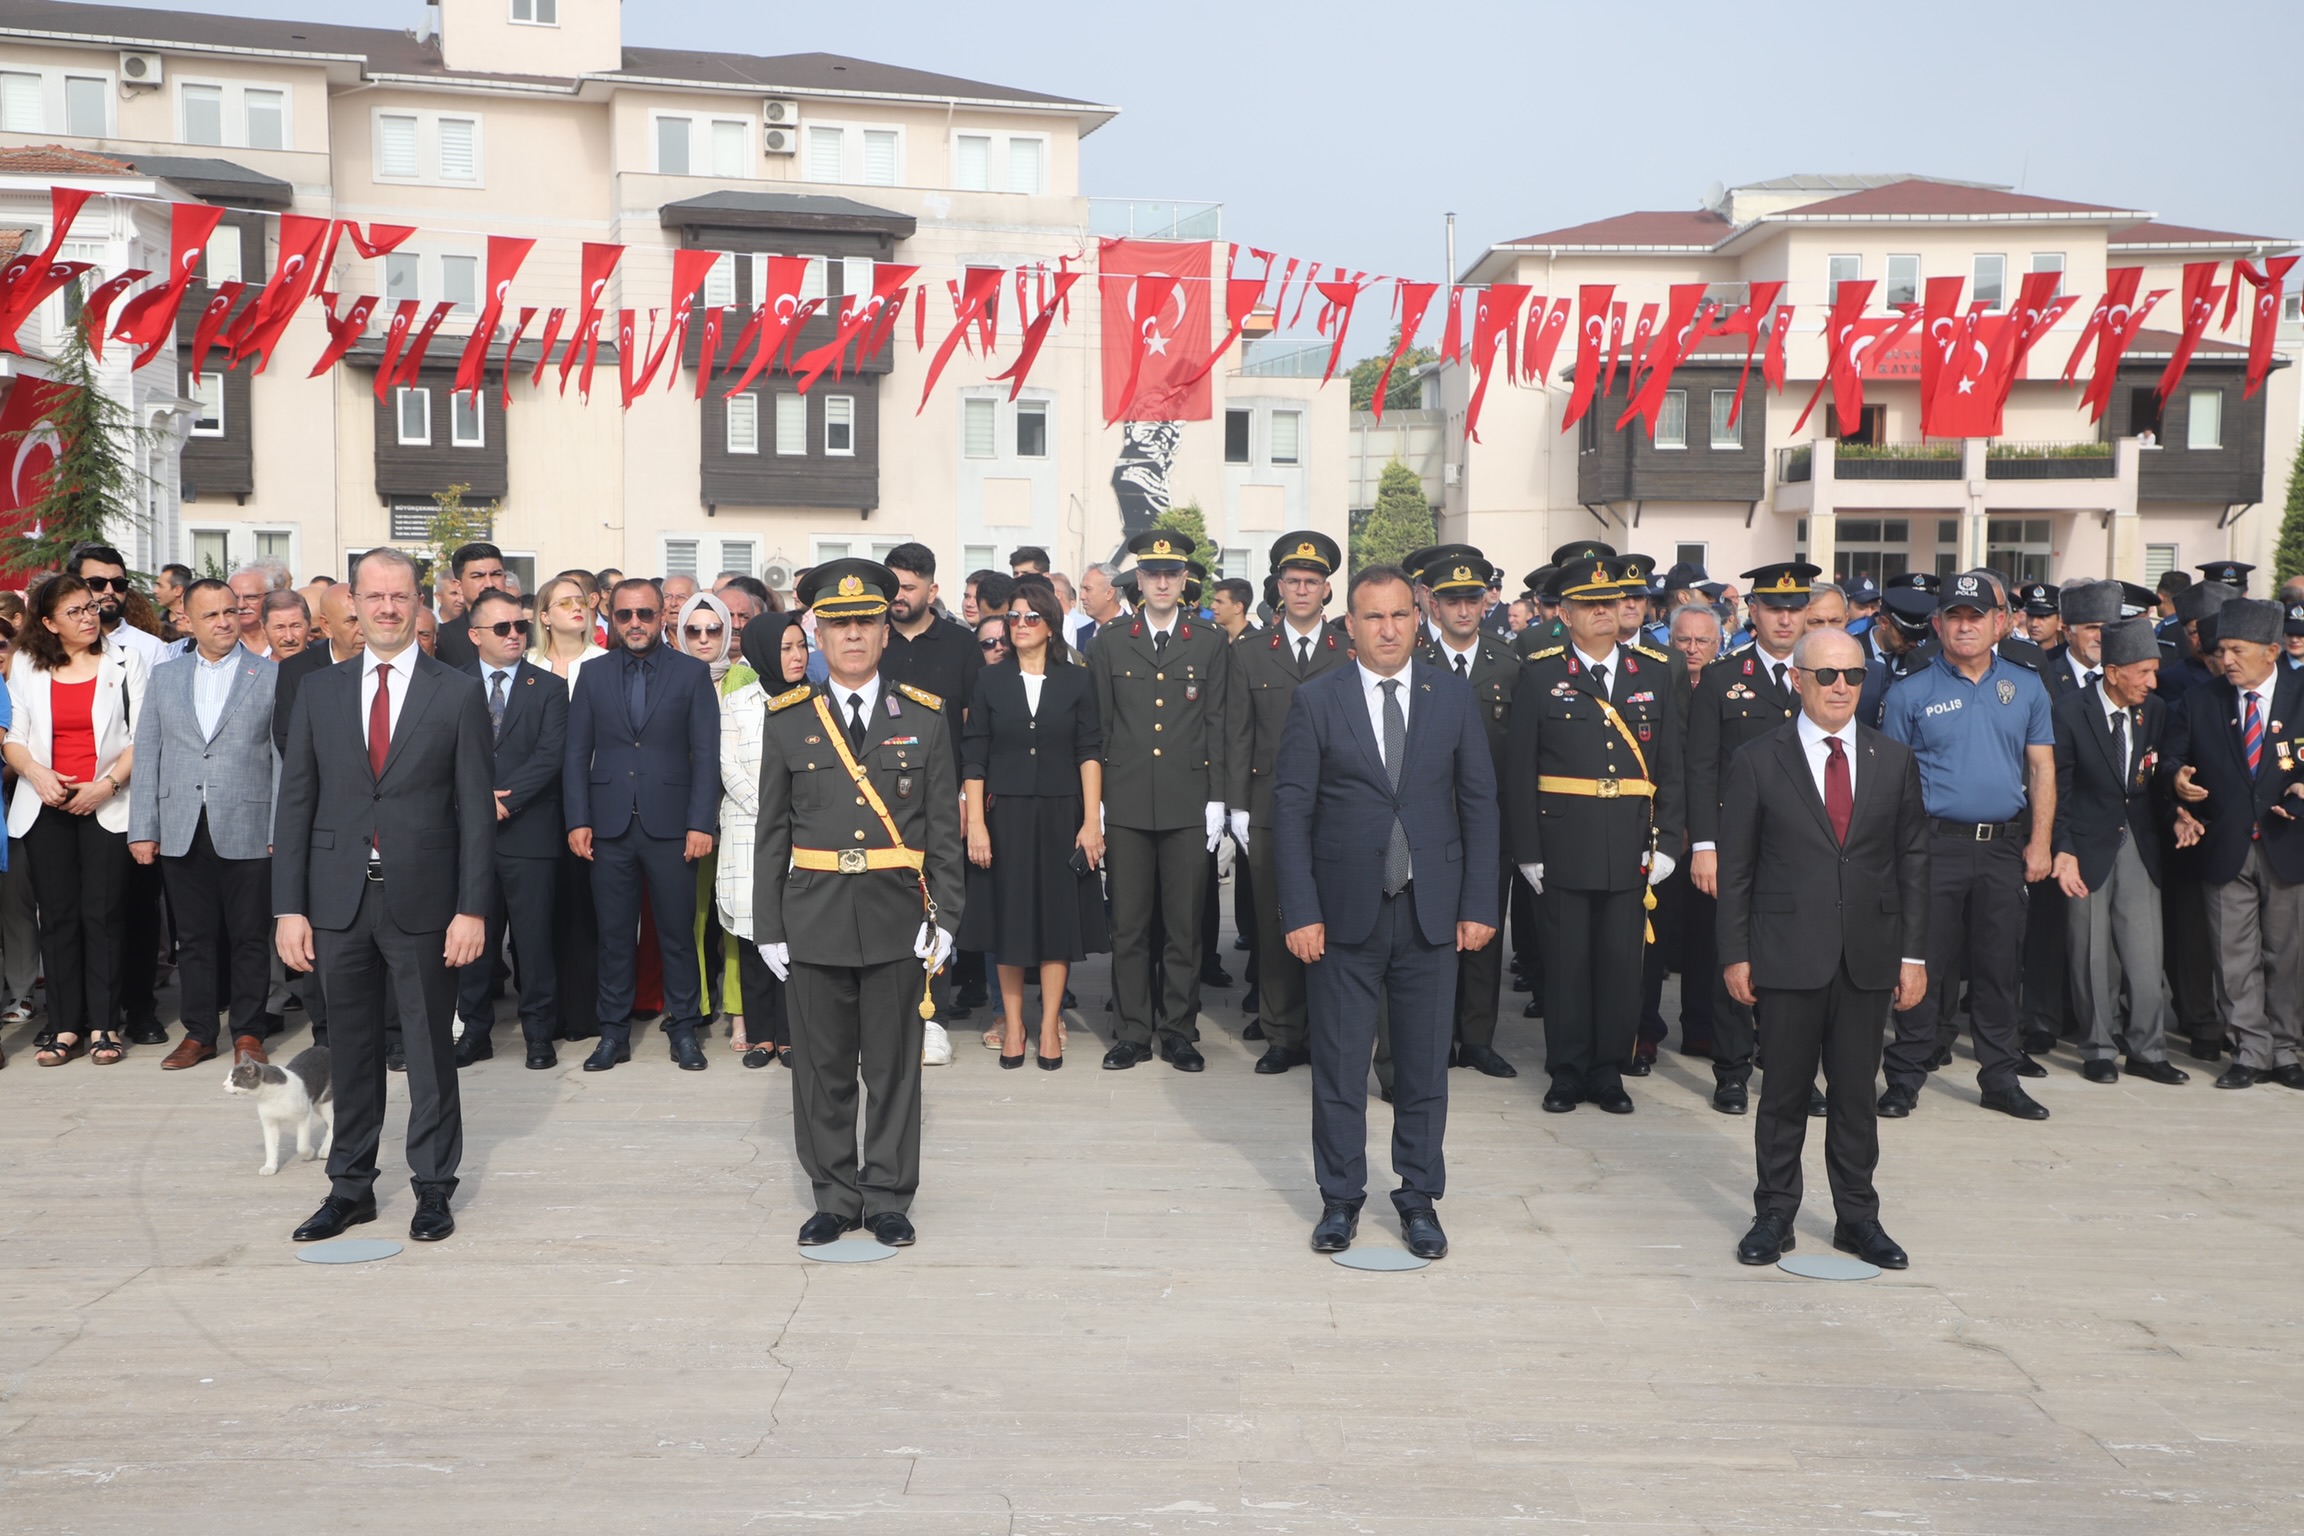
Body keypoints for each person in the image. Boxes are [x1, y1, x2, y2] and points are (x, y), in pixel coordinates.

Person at [1272, 563, 1499, 1260]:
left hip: (1431, 912)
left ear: (1419, 618)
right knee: (1340, 1067)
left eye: (1401, 614)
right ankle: (1340, 1200)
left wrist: (1479, 903)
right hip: (1343, 915)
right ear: (1351, 626)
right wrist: (1300, 911)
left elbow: (1479, 804)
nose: (1390, 629)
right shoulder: (1317, 701)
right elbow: (1291, 813)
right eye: (1374, 617)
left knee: (1425, 1068)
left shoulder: (1451, 697)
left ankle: (1418, 1199)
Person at [273, 547, 495, 1244]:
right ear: (353, 606)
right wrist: (289, 907)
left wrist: (472, 908)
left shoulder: (455, 691)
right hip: (337, 903)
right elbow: (297, 805)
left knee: (430, 1050)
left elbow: (474, 813)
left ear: (418, 602)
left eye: (401, 597)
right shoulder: (320, 691)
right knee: (353, 1049)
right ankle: (350, 1188)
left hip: (426, 906)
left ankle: (433, 1187)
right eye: (375, 597)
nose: (389, 608)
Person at [753, 559, 964, 1248]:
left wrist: (947, 918)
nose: (851, 636)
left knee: (895, 1066)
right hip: (812, 915)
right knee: (821, 1071)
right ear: (817, 632)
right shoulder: (787, 719)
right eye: (837, 624)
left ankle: (889, 1196)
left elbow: (941, 831)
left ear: (884, 630)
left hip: (896, 914)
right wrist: (768, 925)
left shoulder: (924, 719)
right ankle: (835, 1196)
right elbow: (772, 830)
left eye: (864, 623)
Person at [1715, 627, 1929, 1271]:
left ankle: (1857, 1217)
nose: (1841, 687)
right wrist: (1736, 953)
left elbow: (1912, 862)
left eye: (1854, 676)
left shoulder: (1892, 759)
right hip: (1786, 953)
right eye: (1828, 676)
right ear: (1798, 680)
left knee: (1857, 1096)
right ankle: (1774, 1213)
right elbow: (1738, 869)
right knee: (1782, 1093)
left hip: (1868, 955)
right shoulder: (1758, 759)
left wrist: (1913, 956)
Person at [1504, 555, 1684, 1114]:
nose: (1605, 612)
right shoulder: (1539, 673)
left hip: (1631, 842)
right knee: (1565, 965)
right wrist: (1527, 851)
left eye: (1611, 603)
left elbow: (1672, 766)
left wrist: (1671, 842)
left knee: (1619, 965)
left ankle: (1609, 1071)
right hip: (1563, 844)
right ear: (1565, 613)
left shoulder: (1654, 672)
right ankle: (1567, 1070)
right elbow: (1519, 771)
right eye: (1590, 605)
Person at [1878, 570, 2058, 1122]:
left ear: (2000, 624)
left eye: (1976, 617)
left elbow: (2042, 768)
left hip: (2003, 846)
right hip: (1934, 847)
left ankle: (2000, 1077)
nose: (1964, 626)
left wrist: (2040, 843)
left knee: (1999, 968)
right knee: (1921, 966)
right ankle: (1905, 1076)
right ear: (1937, 623)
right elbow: (1891, 783)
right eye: (1953, 616)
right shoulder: (1910, 691)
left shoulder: (2026, 685)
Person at [564, 578, 722, 1073]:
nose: (635, 623)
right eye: (626, 615)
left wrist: (701, 822)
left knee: (677, 933)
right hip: (608, 826)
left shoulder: (691, 674)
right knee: (614, 935)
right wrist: (578, 819)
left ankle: (684, 1029)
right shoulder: (592, 674)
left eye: (646, 615)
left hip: (673, 825)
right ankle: (612, 1033)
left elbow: (706, 754)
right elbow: (574, 755)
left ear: (663, 618)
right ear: (610, 618)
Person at [1090, 529, 1232, 1072]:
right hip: (1125, 802)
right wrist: (1097, 801)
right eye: (1153, 574)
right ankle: (1131, 1030)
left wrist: (1218, 800)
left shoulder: (1209, 640)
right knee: (1128, 925)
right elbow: (1100, 727)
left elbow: (1219, 723)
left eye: (1172, 574)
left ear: (1184, 580)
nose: (1163, 582)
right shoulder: (1110, 641)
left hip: (1187, 802)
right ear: (1139, 580)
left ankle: (1178, 1029)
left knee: (1184, 925)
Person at [128, 578, 278, 1071]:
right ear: (185, 621)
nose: (224, 622)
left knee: (251, 935)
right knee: (192, 937)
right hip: (181, 824)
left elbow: (281, 758)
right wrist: (143, 827)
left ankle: (249, 1032)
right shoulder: (166, 677)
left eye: (231, 612)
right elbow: (148, 752)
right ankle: (199, 1033)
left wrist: (279, 828)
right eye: (211, 615)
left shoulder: (269, 674)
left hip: (250, 822)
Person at [1685, 563, 1817, 1108]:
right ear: (1752, 613)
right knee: (1732, 958)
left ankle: (1795, 1074)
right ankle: (1733, 1070)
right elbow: (1699, 766)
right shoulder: (1722, 676)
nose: (1784, 619)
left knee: (1801, 963)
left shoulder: (1824, 674)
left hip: (1805, 847)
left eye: (1794, 608)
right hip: (1738, 845)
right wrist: (1704, 845)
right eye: (1772, 607)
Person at [959, 582, 1106, 1068]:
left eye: (1029, 618)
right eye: (1014, 618)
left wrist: (1091, 822)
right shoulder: (990, 681)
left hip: (1063, 813)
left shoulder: (1077, 681)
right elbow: (974, 756)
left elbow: (1089, 752)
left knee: (1056, 918)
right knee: (1011, 919)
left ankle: (1048, 1026)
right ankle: (1014, 1026)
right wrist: (976, 823)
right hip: (1007, 816)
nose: (1018, 626)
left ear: (1050, 625)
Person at [2161, 598, 2304, 1090]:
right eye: (2222, 650)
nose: (2227, 661)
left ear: (2271, 650)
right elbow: (2170, 758)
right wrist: (2177, 780)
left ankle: (2287, 1049)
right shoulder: (2203, 700)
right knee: (2233, 955)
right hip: (2224, 844)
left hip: (2288, 843)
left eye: (2238, 651)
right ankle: (2250, 1050)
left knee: (2285, 956)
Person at [6, 576, 150, 1066]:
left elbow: (141, 737)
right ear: (47, 623)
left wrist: (106, 786)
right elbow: (14, 735)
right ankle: (65, 1025)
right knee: (59, 917)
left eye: (91, 607)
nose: (89, 617)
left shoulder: (125, 660)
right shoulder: (27, 663)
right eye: (75, 612)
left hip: (106, 802)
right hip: (45, 802)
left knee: (104, 915)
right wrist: (35, 772)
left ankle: (105, 1025)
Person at [1225, 532, 1351, 1076]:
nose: (1302, 590)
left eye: (1312, 582)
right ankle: (1281, 1033)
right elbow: (1237, 734)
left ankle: (1331, 1032)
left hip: (1340, 808)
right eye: (1292, 581)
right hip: (1270, 809)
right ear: (1278, 587)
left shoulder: (1348, 650)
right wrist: (1235, 807)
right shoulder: (1251, 653)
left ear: (1327, 590)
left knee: (1340, 923)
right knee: (1278, 922)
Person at [2050, 616, 2192, 1087]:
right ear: (2113, 672)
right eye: (2144, 672)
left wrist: (2178, 810)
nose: (2153, 682)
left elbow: (2155, 781)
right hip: (2085, 847)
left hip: (2139, 841)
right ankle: (2097, 1047)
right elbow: (2058, 789)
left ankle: (2148, 1050)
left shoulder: (2154, 712)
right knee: (2088, 953)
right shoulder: (2069, 712)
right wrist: (2062, 850)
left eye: (2156, 671)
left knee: (2145, 954)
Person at [1412, 545, 1520, 1079]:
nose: (1462, 610)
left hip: (1487, 820)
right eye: (1452, 600)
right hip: (1426, 820)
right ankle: (1432, 1038)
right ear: (1432, 603)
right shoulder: (1413, 660)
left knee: (1483, 926)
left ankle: (1477, 1038)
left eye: (1471, 599)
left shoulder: (1508, 663)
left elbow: (1520, 752)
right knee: (1428, 931)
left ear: (1485, 602)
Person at [454, 589, 566, 1070]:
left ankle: (539, 1034)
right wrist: (478, 801)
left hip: (531, 834)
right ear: (475, 635)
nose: (515, 634)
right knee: (473, 941)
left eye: (521, 626)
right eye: (503, 628)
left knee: (535, 942)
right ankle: (475, 1032)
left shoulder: (550, 686)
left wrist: (507, 799)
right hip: (468, 838)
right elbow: (438, 758)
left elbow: (550, 755)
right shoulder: (449, 685)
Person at [719, 613, 809, 1067]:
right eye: (785, 647)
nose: (796, 656)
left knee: (795, 932)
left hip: (804, 831)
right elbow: (729, 767)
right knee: (755, 935)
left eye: (801, 646)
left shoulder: (817, 702)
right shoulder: (737, 703)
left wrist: (794, 812)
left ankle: (793, 1034)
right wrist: (772, 808)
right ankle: (761, 1035)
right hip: (749, 829)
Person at [67, 543, 170, 668]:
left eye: (118, 584)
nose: (109, 591)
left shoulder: (149, 647)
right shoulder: (54, 644)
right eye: (97, 583)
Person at [531, 573, 607, 683]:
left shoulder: (604, 661)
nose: (577, 608)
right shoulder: (529, 660)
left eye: (582, 602)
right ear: (545, 617)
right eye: (565, 603)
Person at [228, 563, 280, 656]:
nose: (241, 605)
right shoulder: (220, 644)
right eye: (234, 598)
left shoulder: (285, 638)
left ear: (270, 597)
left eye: (251, 597)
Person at [259, 589, 310, 659]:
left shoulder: (327, 666)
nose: (289, 638)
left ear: (309, 625)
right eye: (279, 628)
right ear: (264, 629)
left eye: (296, 626)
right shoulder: (254, 669)